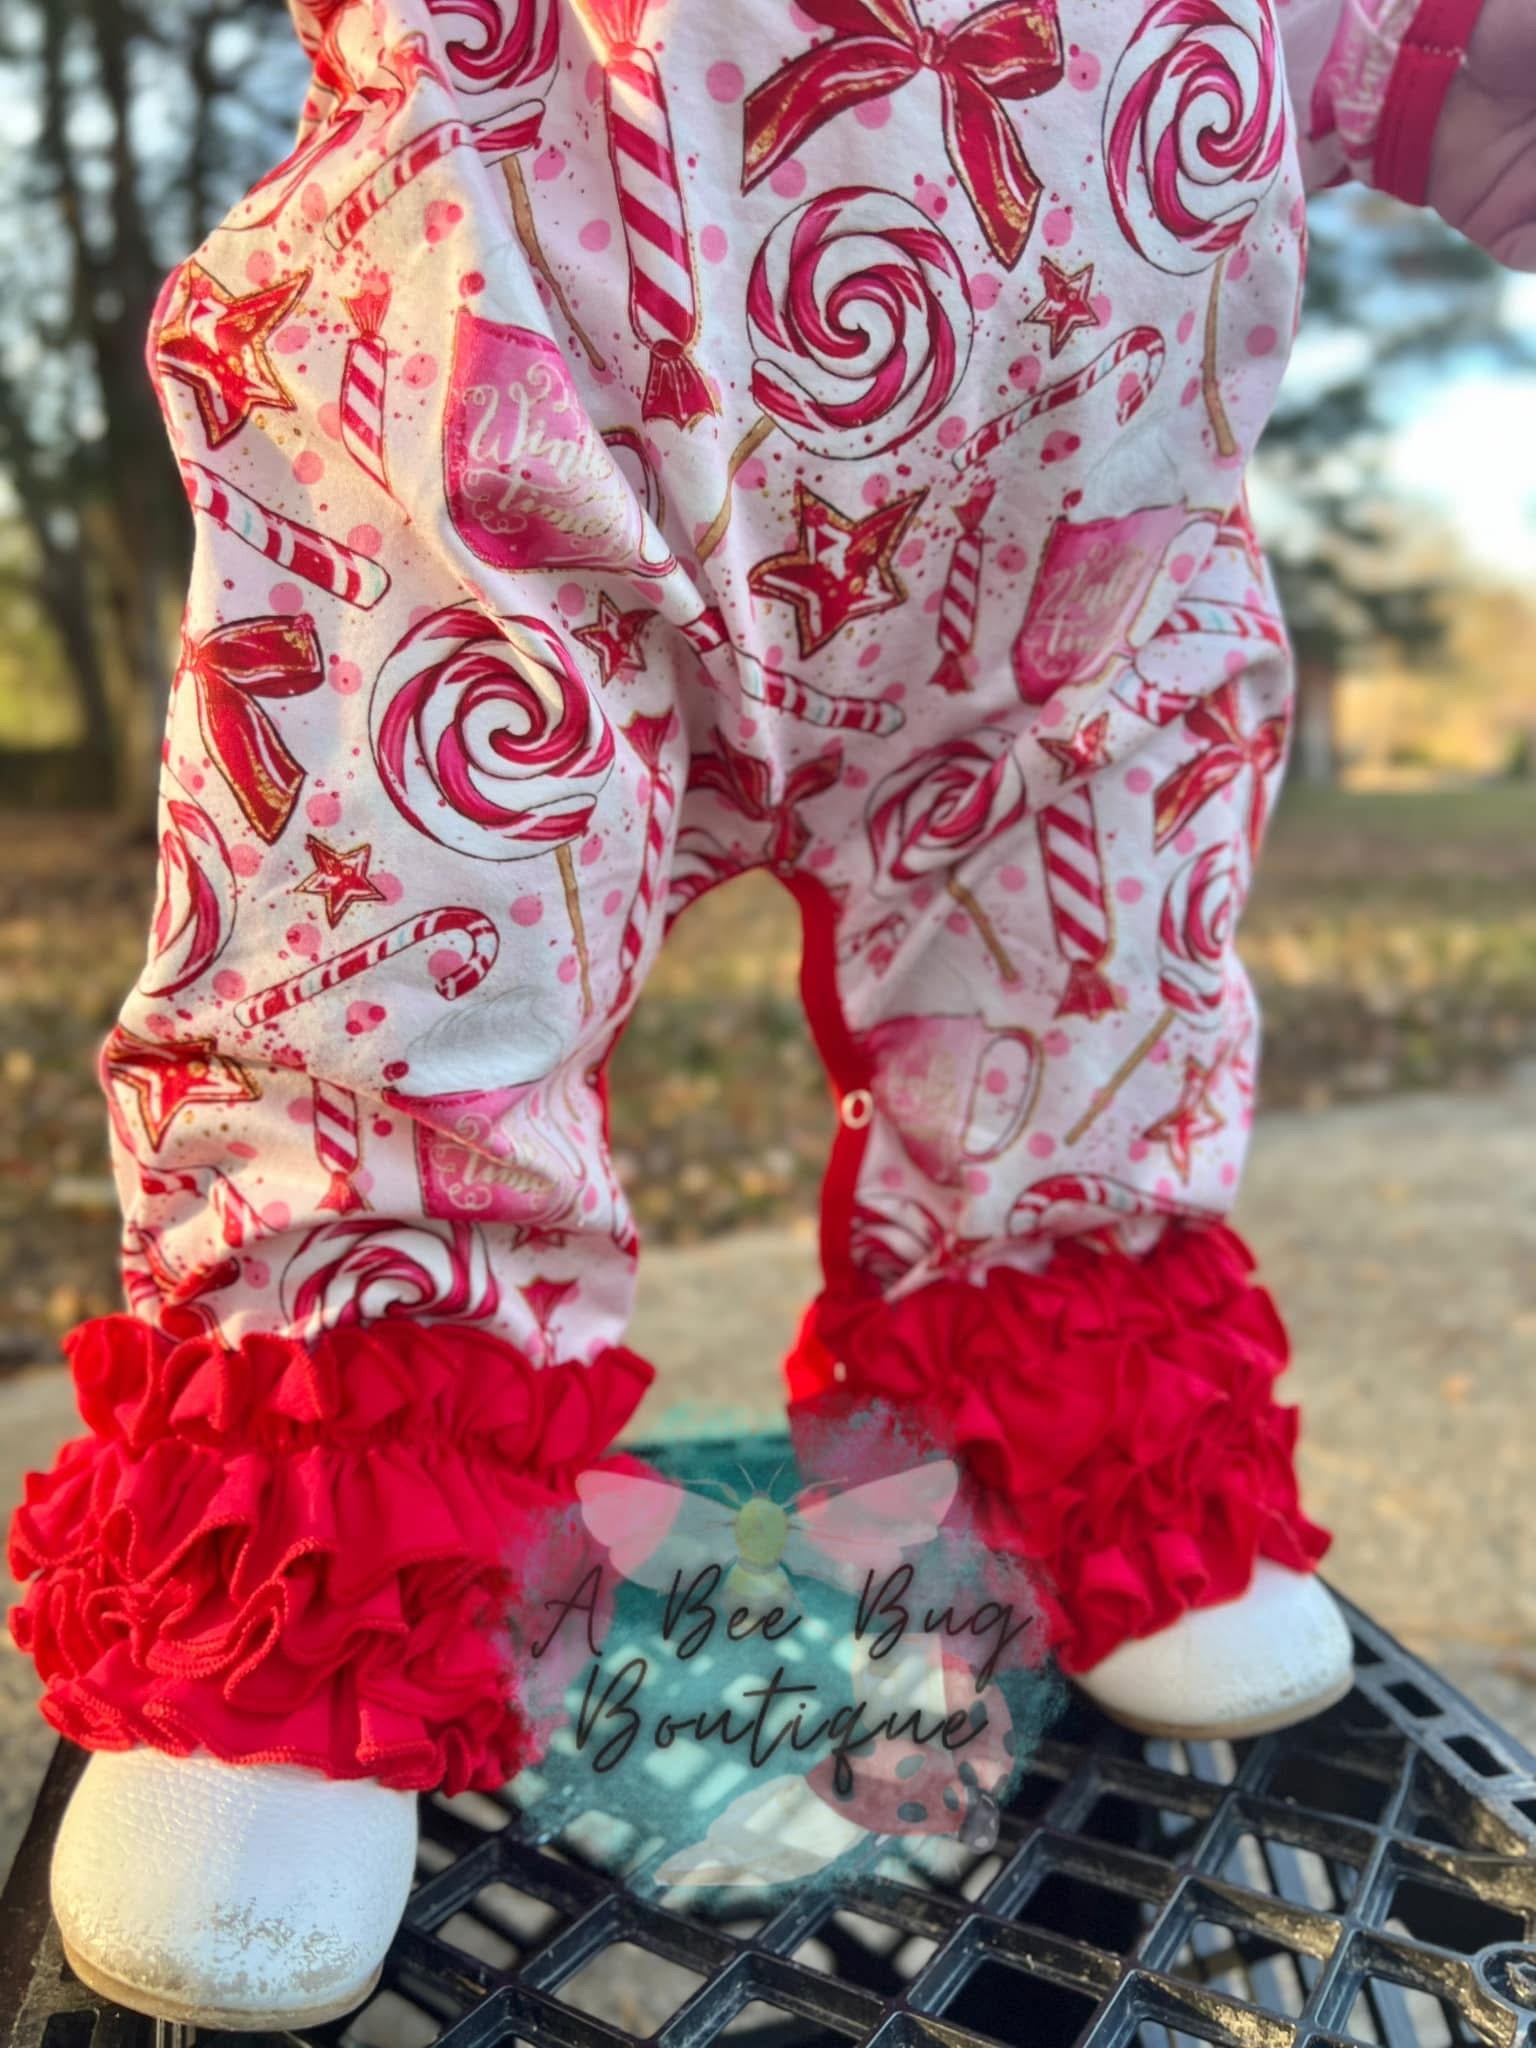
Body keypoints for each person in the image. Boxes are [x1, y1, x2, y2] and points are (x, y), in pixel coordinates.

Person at [10, 0, 1534, 2025]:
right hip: (523, 325)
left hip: (1090, 425)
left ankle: (1087, 1413)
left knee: (1088, 941)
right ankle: (320, 1583)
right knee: (399, 896)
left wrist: (1427, 54)